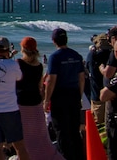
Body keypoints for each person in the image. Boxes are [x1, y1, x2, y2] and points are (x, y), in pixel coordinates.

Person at [15, 36, 63, 160]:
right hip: (36, 104)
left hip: (22, 104)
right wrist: (44, 101)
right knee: (41, 137)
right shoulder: (39, 66)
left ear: (23, 49)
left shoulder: (18, 63)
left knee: (25, 138)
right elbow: (40, 87)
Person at [44, 27, 85, 160]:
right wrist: (79, 95)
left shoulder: (54, 57)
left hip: (60, 97)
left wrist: (46, 100)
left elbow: (51, 80)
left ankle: (65, 157)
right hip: (74, 95)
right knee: (74, 131)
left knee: (61, 131)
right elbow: (81, 77)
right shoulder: (76, 55)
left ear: (54, 41)